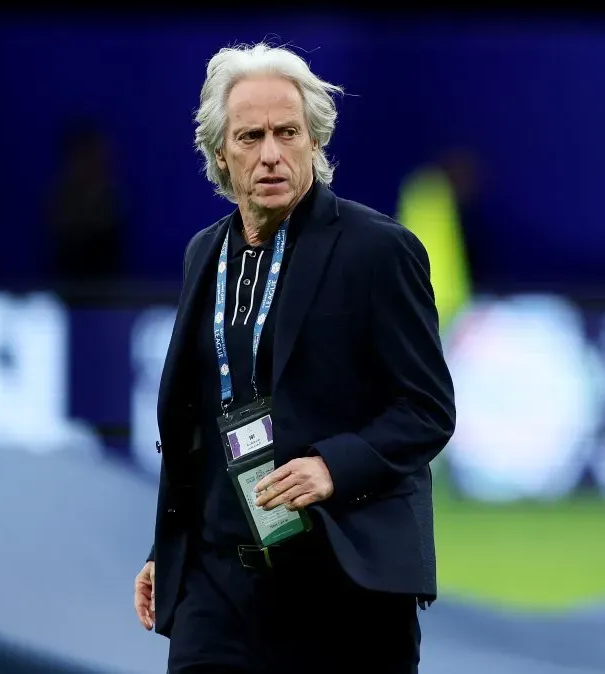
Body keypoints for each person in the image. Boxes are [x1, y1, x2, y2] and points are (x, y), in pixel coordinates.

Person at [133, 42, 456, 674]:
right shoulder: (205, 253)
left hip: (342, 587)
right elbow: (198, 422)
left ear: (315, 141)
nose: (271, 154)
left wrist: (333, 466)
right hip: (218, 588)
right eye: (251, 137)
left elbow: (426, 408)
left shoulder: (378, 250)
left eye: (288, 133)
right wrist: (165, 552)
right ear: (221, 153)